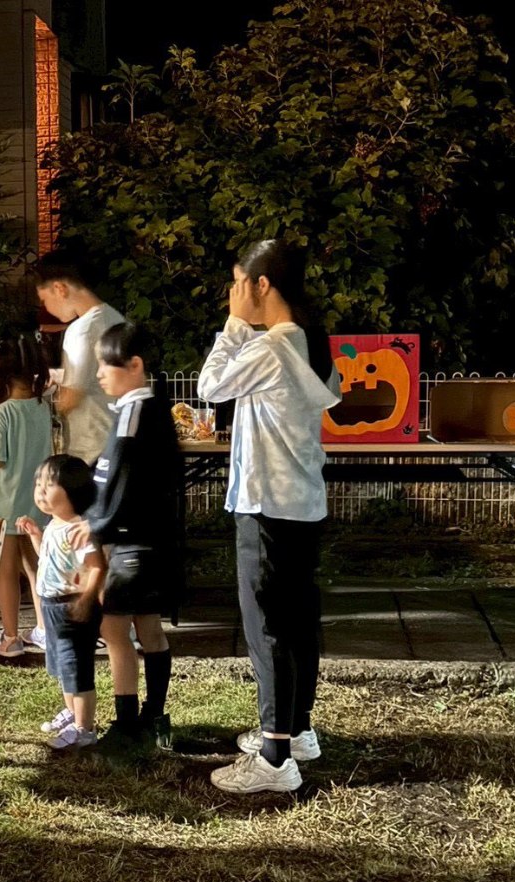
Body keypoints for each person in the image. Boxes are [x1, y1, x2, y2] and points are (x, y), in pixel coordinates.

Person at [197, 239, 341, 794]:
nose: (232, 294)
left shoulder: (273, 347)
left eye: (238, 283)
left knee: (267, 627)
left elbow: (210, 386)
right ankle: (297, 731)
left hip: (265, 503)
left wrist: (233, 325)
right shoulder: (306, 342)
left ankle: (276, 757)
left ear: (261, 285)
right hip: (301, 501)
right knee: (297, 619)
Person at [70, 322, 183, 757]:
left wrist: (97, 523)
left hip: (134, 543)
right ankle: (155, 717)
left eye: (106, 365)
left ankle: (126, 725)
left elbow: (122, 479)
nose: (99, 374)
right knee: (149, 627)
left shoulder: (135, 412)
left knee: (113, 628)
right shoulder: (149, 409)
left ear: (134, 365)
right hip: (154, 540)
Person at [17, 455, 105, 750]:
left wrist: (87, 598)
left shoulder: (78, 530)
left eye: (49, 485)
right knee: (61, 665)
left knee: (76, 668)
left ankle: (85, 728)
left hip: (71, 606)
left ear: (73, 491)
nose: (40, 491)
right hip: (51, 606)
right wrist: (36, 536)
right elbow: (49, 559)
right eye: (38, 484)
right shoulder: (55, 525)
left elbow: (96, 566)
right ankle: (71, 713)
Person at [0, 334, 54, 659]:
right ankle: (46, 631)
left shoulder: (2, 413)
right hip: (35, 502)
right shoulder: (41, 407)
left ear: (4, 375)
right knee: (36, 566)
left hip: (4, 506)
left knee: (6, 571)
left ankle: (10, 637)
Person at [34, 250, 126, 466]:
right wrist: (59, 376)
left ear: (60, 288)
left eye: (44, 300)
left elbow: (71, 397)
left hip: (91, 448)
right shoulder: (115, 318)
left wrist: (36, 409)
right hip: (118, 441)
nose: (46, 308)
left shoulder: (81, 330)